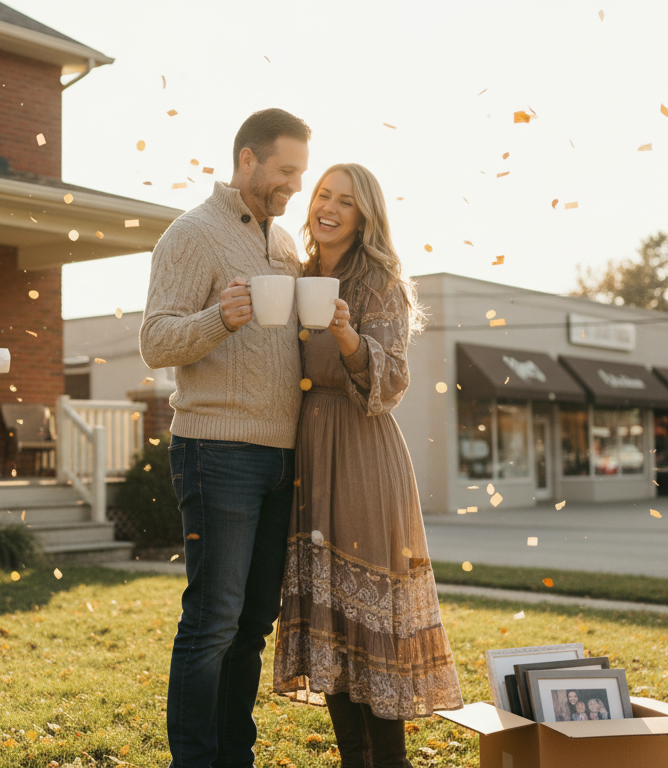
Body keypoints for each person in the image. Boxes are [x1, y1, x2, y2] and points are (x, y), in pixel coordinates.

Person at [272, 163, 463, 768]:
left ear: (365, 216)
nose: (328, 207)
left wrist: (350, 336)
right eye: (322, 195)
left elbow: (393, 382)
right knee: (327, 607)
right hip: (308, 451)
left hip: (361, 450)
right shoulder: (299, 275)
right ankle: (353, 758)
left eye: (345, 202)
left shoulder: (378, 279)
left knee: (369, 612)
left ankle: (391, 761)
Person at [140, 108, 311, 767]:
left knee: (251, 625)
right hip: (216, 451)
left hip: (279, 455)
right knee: (211, 623)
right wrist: (219, 318)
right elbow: (155, 341)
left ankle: (231, 753)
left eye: (301, 171)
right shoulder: (192, 236)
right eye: (286, 170)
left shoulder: (284, 244)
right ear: (247, 161)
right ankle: (196, 759)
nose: (295, 184)